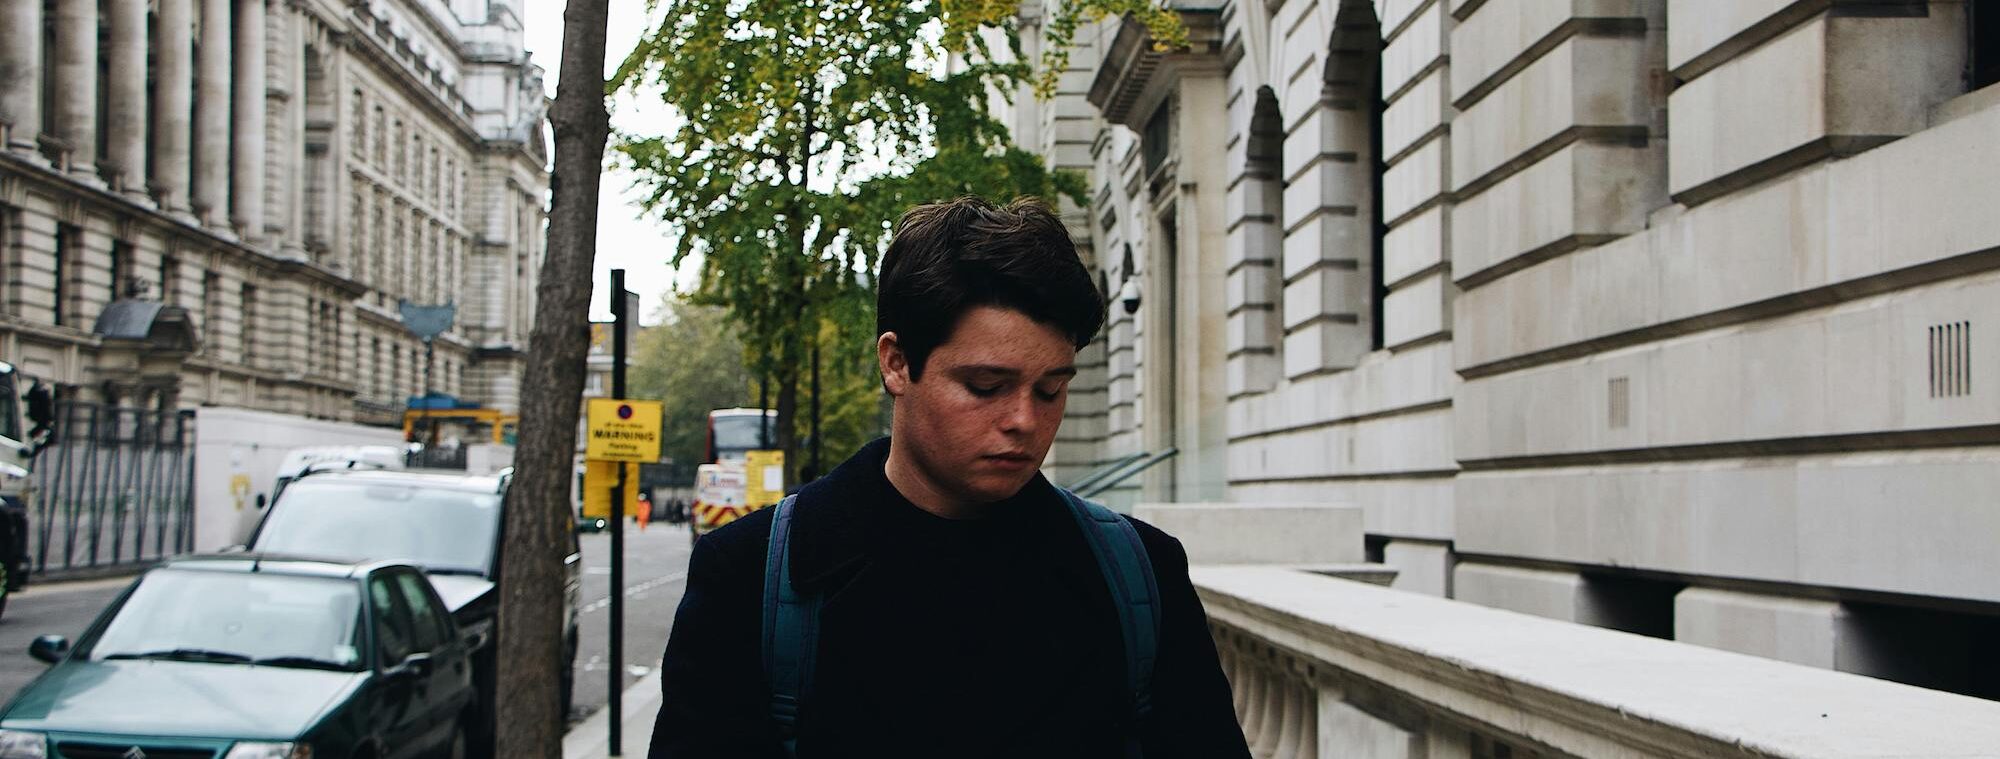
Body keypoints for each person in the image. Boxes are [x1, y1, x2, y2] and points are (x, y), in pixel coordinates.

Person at [648, 197, 1251, 758]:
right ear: (896, 363)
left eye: (1051, 390)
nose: (1024, 420)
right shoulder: (749, 576)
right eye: (986, 386)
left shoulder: (1140, 573)